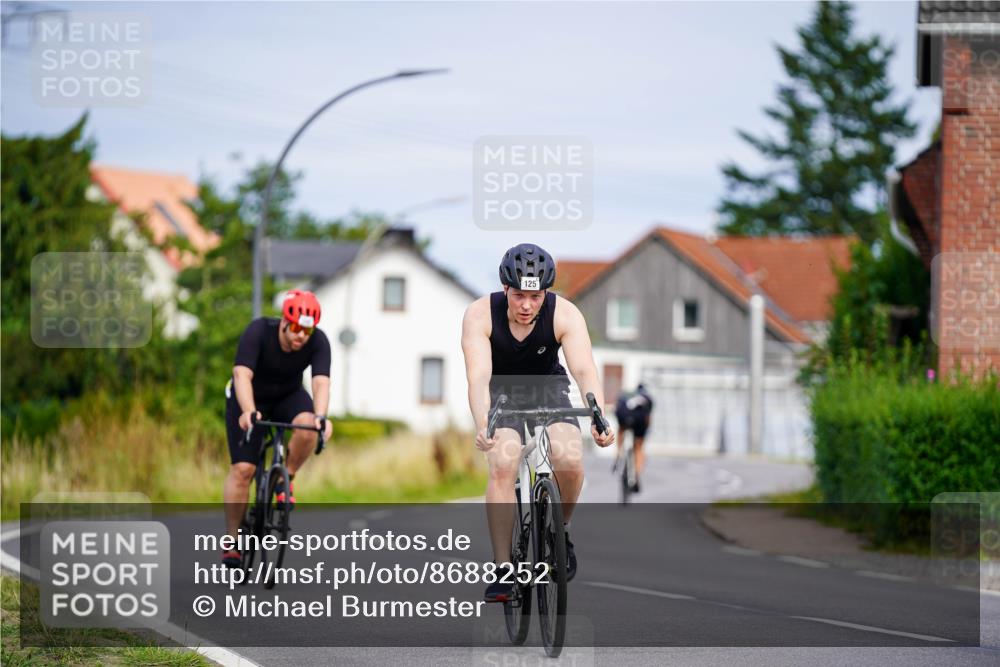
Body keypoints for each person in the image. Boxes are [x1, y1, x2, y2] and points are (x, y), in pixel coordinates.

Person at [461, 243, 615, 602]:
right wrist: (483, 423)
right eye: (519, 296)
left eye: (536, 296)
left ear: (546, 292)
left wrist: (598, 414)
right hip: (502, 393)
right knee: (502, 464)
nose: (527, 305)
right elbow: (479, 376)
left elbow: (583, 369)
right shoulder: (479, 314)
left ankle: (560, 532)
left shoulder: (566, 314)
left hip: (548, 388)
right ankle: (503, 570)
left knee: (571, 460)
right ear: (505, 290)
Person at [221, 289, 334, 567]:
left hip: (287, 395)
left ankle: (285, 478)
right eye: (295, 328)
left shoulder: (318, 341)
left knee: (309, 425)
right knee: (243, 470)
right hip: (249, 397)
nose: (300, 336)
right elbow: (241, 374)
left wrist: (321, 417)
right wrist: (248, 411)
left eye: (306, 332)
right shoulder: (259, 330)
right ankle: (232, 542)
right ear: (284, 321)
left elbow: (321, 382)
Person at [614, 383, 654, 492]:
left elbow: (617, 409)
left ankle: (618, 455)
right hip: (640, 421)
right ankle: (635, 474)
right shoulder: (648, 398)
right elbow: (648, 419)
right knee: (639, 448)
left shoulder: (626, 395)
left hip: (623, 416)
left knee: (621, 430)